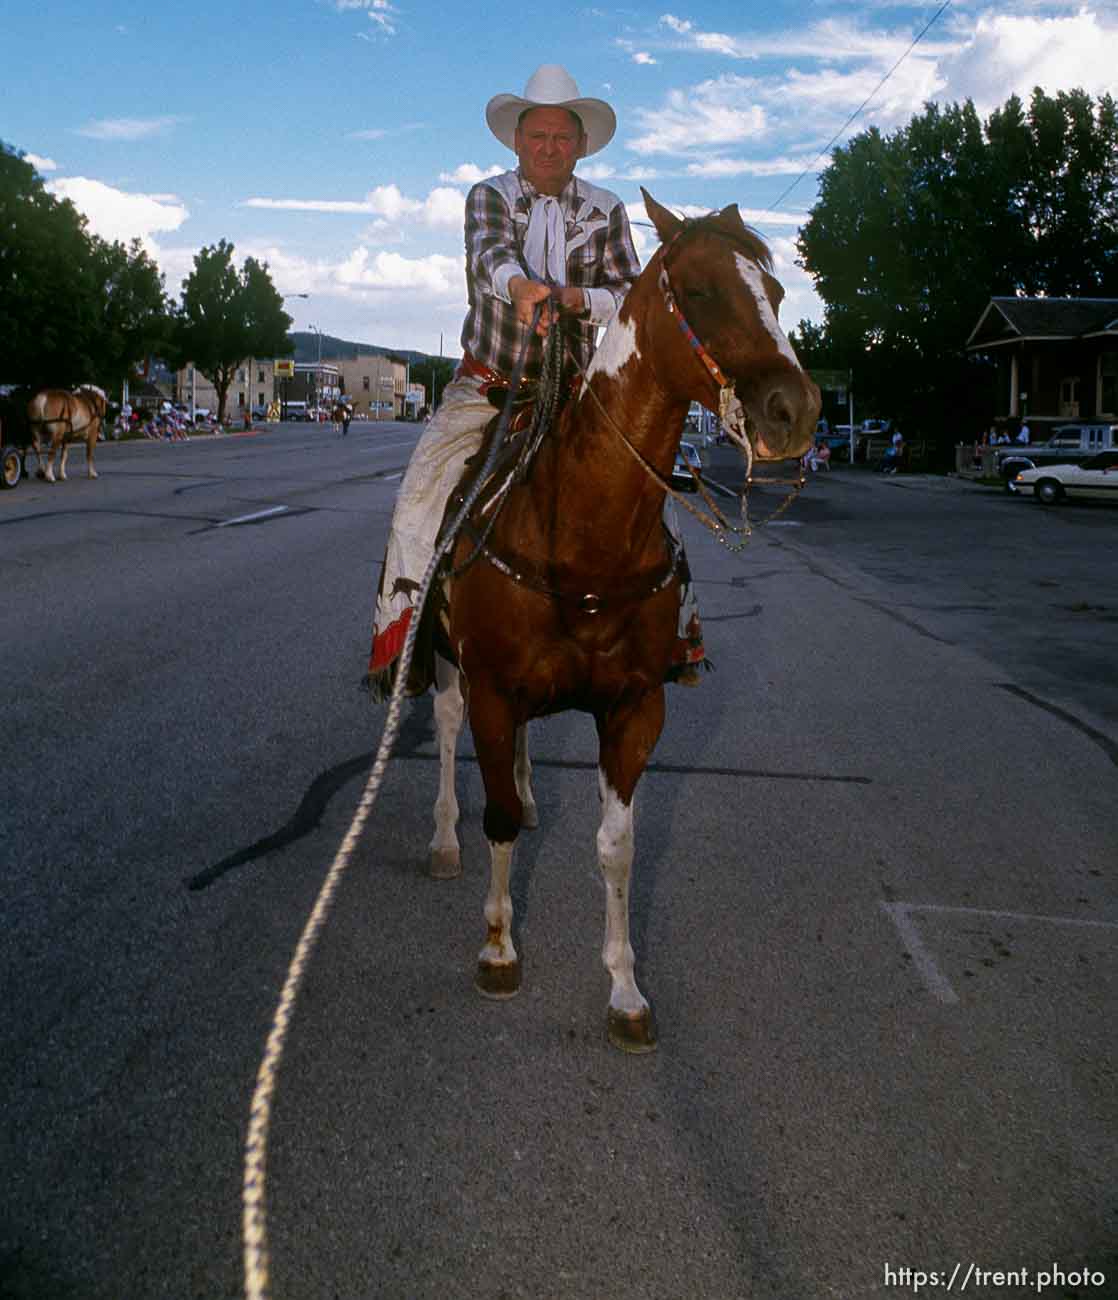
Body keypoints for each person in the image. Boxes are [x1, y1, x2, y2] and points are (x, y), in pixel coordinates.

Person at [367, 65, 705, 698]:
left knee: (656, 499)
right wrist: (520, 286)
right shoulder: (487, 195)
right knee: (419, 494)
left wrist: (577, 299)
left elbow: (632, 292)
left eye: (561, 137)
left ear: (580, 144)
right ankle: (405, 640)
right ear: (516, 141)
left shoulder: (607, 209)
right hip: (491, 380)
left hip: (581, 391)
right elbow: (489, 256)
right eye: (537, 136)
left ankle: (677, 633)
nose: (549, 148)